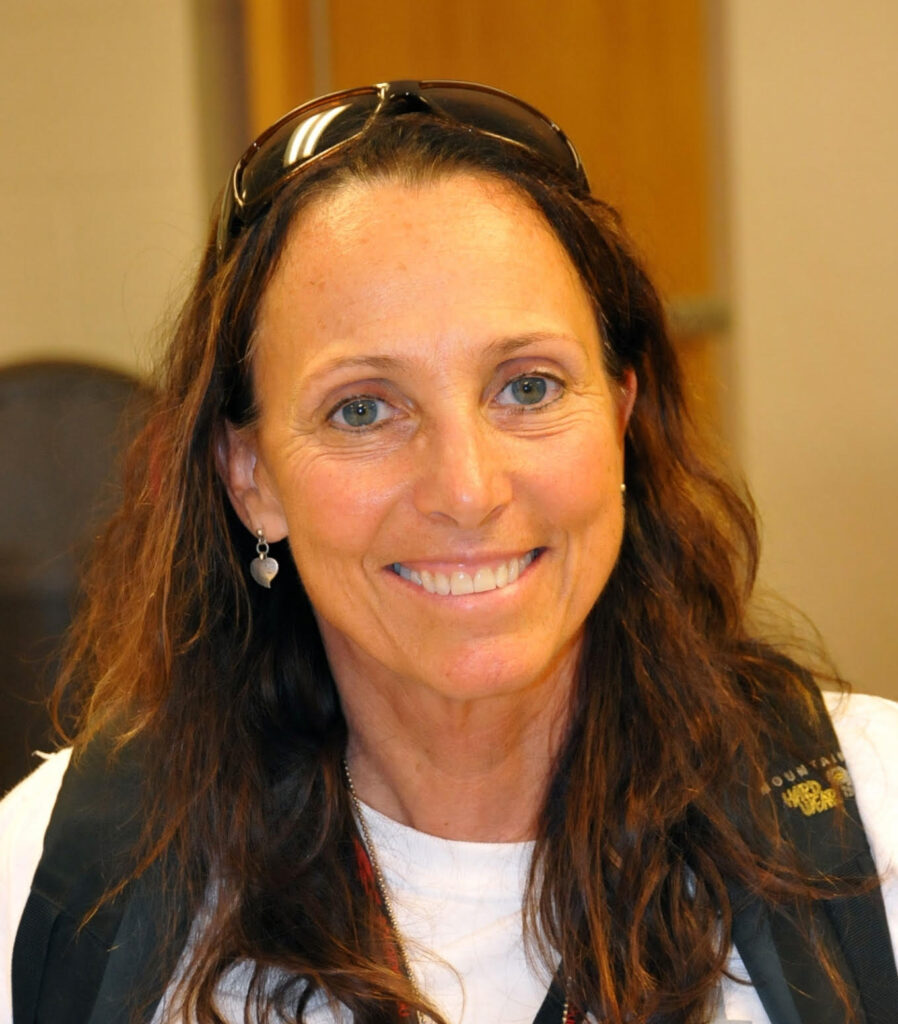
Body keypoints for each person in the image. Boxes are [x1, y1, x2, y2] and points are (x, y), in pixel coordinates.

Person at [1, 80, 897, 1024]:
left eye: (529, 387)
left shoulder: (867, 830)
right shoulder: (61, 880)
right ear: (250, 477)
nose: (468, 490)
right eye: (363, 408)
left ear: (623, 418)